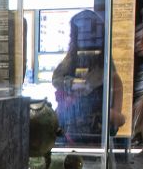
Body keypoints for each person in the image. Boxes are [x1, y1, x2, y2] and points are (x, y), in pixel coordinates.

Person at [52, 9, 125, 145]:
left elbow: (116, 119)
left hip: (96, 137)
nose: (86, 39)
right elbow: (56, 79)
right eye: (81, 33)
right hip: (70, 133)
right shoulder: (71, 61)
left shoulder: (107, 70)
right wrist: (74, 84)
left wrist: (109, 115)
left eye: (90, 33)